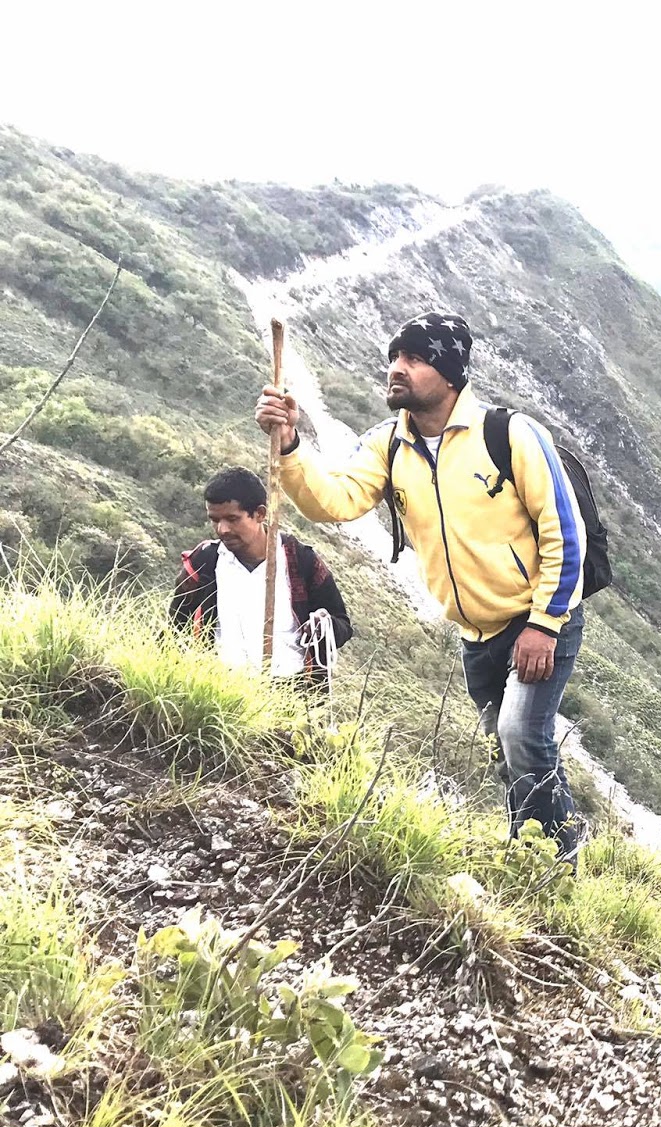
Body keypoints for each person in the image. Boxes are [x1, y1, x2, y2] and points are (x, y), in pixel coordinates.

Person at [252, 312, 589, 859]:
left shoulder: (509, 435)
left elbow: (565, 533)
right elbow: (334, 501)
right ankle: (534, 851)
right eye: (394, 357)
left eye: (413, 358)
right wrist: (289, 444)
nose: (396, 369)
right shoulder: (389, 445)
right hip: (475, 634)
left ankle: (556, 863)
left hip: (536, 619)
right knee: (509, 751)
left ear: (450, 374)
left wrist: (545, 625)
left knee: (522, 736)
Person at [170, 466, 353, 682]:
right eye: (215, 519)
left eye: (232, 519)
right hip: (220, 686)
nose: (222, 529)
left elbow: (342, 625)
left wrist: (324, 626)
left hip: (290, 689)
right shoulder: (205, 561)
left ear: (260, 514)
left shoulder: (300, 561)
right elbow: (176, 624)